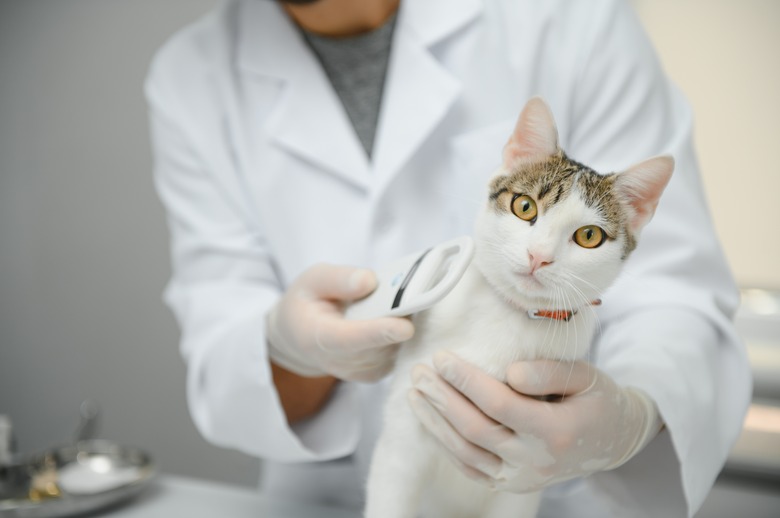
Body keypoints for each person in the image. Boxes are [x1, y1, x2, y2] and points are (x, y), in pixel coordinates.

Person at [145, 0, 752, 516]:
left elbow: (673, 286)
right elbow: (224, 335)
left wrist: (629, 418)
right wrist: (286, 345)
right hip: (324, 495)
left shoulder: (569, 16)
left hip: (559, 493)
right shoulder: (189, 76)